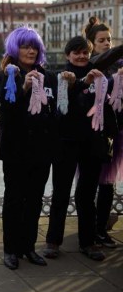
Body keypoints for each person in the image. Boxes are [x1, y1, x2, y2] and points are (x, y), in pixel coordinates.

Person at [43, 36, 117, 261]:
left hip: (92, 142)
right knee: (61, 193)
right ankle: (53, 241)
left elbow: (107, 105)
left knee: (86, 194)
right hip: (66, 142)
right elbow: (61, 108)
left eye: (85, 52)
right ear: (68, 55)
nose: (82, 56)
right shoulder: (61, 76)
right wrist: (82, 84)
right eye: (77, 52)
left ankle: (89, 241)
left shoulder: (99, 75)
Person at [0, 25, 59, 270]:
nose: (31, 51)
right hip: (16, 149)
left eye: (34, 46)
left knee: (34, 200)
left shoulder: (47, 76)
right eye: (25, 46)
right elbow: (3, 111)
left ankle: (28, 247)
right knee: (14, 200)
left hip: (41, 150)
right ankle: (10, 249)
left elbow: (55, 112)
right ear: (15, 48)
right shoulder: (5, 75)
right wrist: (23, 89)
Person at [84, 18, 122, 249]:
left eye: (109, 39)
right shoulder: (91, 64)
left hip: (114, 130)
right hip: (93, 132)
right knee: (91, 184)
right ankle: (90, 229)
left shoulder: (118, 64)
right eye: (101, 40)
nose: (106, 43)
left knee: (108, 184)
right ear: (92, 44)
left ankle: (101, 229)